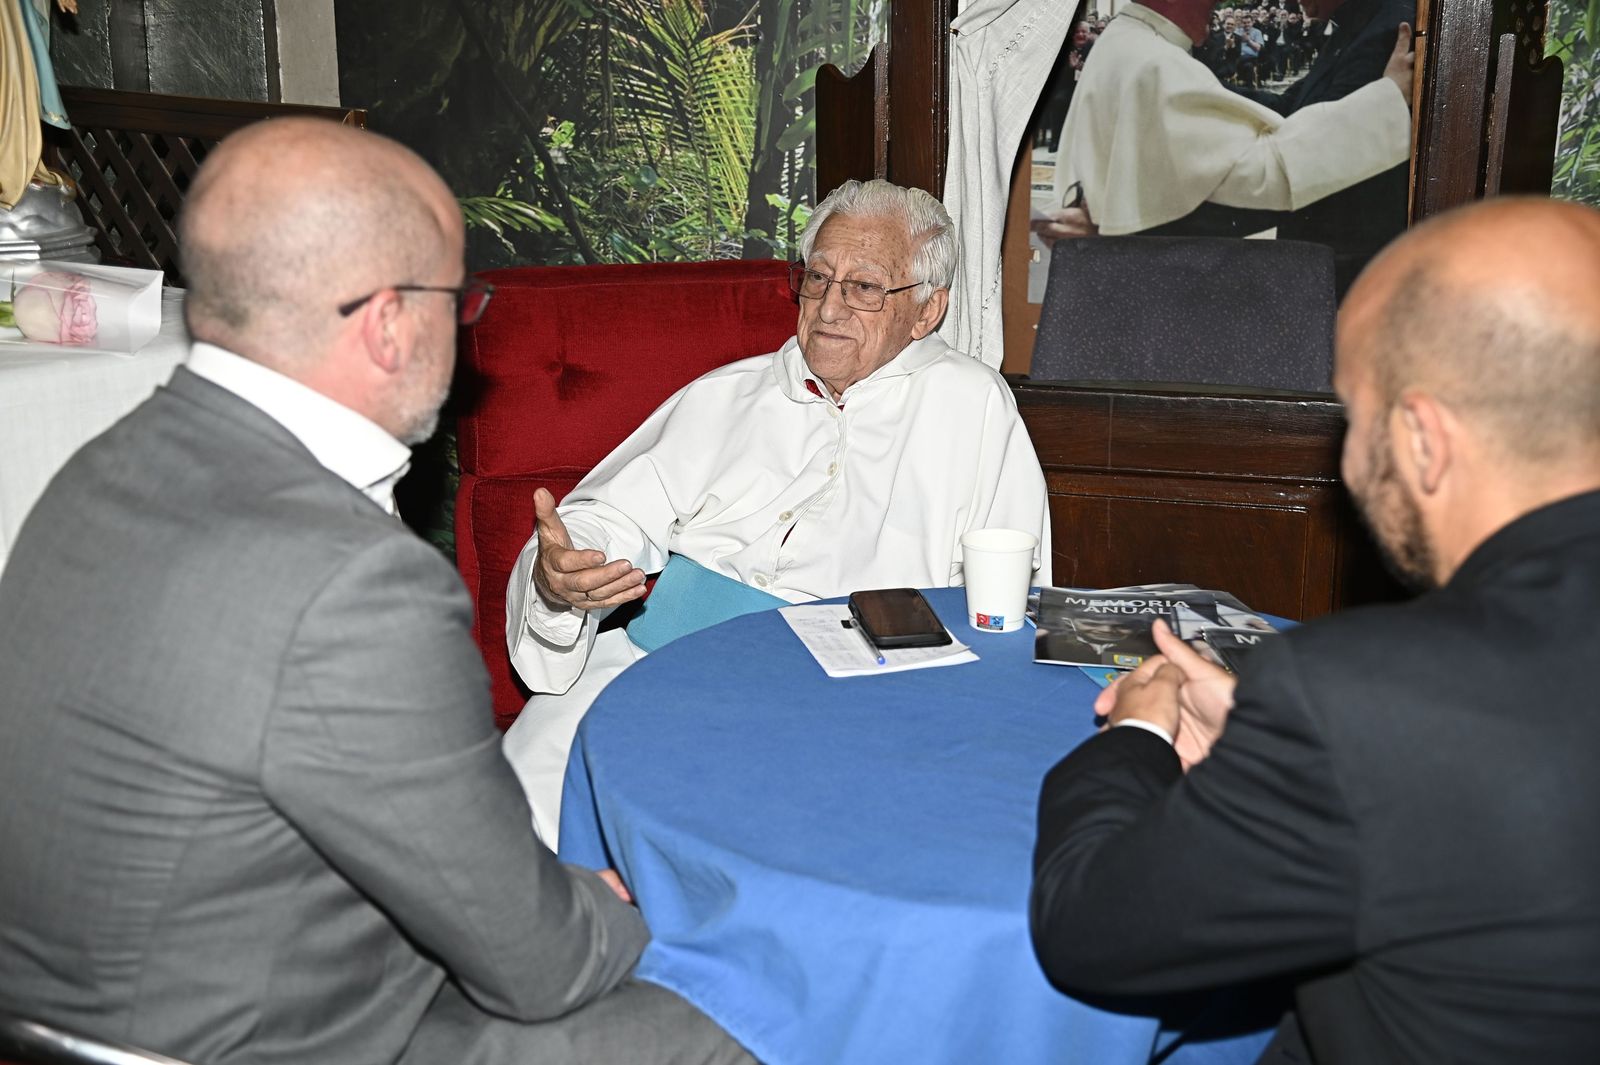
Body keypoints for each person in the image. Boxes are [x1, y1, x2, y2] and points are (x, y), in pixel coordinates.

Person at [0, 118, 751, 1065]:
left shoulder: (98, 465)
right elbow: (539, 966)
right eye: (461, 300)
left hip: (84, 1002)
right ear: (390, 323)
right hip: (256, 1037)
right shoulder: (359, 583)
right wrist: (615, 914)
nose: (466, 334)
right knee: (747, 1012)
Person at [1030, 197, 1600, 1063]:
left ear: (1422, 438)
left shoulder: (1362, 698)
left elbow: (1089, 924)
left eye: (1353, 416)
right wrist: (1280, 740)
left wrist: (1137, 735)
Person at [505, 178, 1051, 845]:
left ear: (926, 311)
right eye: (818, 277)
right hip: (658, 663)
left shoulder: (974, 408)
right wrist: (562, 573)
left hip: (849, 702)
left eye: (865, 286)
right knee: (519, 813)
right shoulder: (727, 394)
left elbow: (1010, 597)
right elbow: (599, 520)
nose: (829, 306)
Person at [1034, 0, 1413, 245]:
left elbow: (1290, 107)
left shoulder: (1125, 40)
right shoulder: (1152, 60)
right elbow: (1263, 176)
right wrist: (1387, 102)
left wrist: (1109, 226)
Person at [1240, 0, 1417, 293]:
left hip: (1347, 251)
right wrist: (1204, 91)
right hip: (1324, 243)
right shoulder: (1353, 23)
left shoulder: (1390, 27)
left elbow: (1334, 135)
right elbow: (1291, 104)